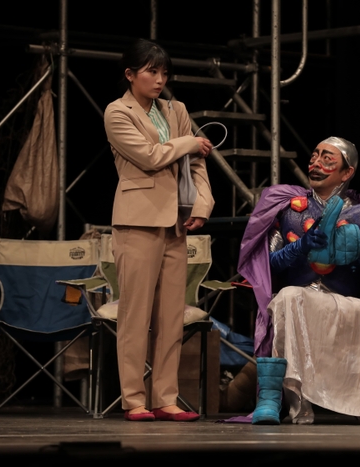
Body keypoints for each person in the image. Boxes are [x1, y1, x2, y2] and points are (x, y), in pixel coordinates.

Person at [238, 136, 360, 425]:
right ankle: (285, 400)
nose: (315, 164)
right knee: (289, 297)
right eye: (314, 156)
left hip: (346, 298)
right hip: (301, 295)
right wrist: (299, 247)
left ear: (347, 172)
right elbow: (269, 264)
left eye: (327, 159)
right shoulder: (288, 209)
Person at [104, 38, 214, 422]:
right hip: (137, 221)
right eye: (151, 72)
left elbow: (196, 163)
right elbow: (150, 157)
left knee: (171, 317)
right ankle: (134, 400)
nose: (159, 80)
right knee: (135, 316)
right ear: (130, 74)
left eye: (164, 72)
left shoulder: (175, 109)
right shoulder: (118, 112)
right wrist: (188, 142)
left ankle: (166, 397)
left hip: (176, 222)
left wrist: (202, 205)